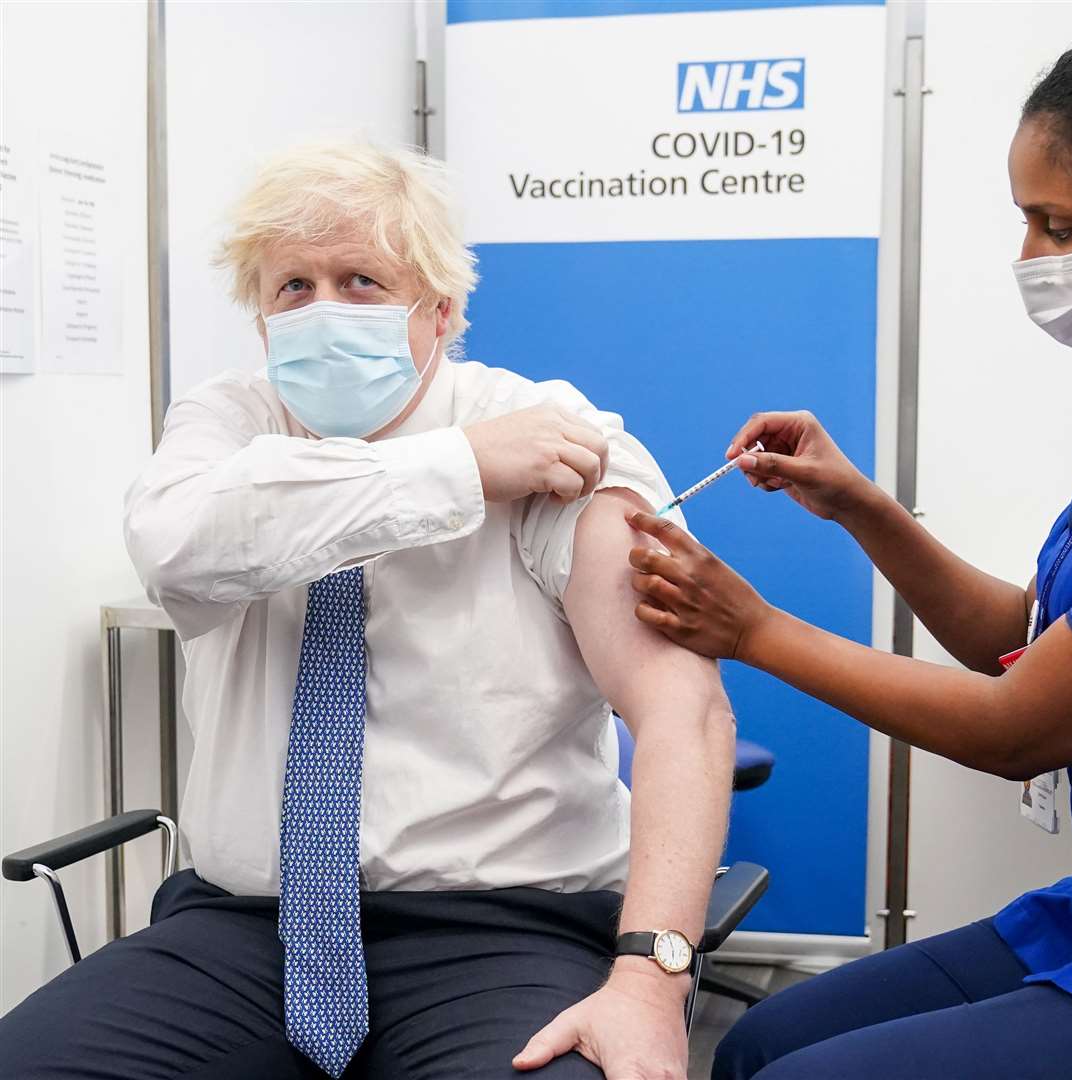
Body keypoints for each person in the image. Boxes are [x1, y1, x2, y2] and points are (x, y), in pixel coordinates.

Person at [624, 9, 1072, 1080]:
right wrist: (860, 507)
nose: (1027, 258)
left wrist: (747, 627)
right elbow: (1022, 638)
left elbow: (1021, 725)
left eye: (1056, 226)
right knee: (757, 1043)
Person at [0, 142, 736, 1080]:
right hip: (244, 933)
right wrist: (460, 469)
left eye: (361, 280)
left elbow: (684, 712)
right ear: (261, 320)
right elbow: (177, 547)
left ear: (441, 309)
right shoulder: (232, 423)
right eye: (293, 288)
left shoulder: (556, 434)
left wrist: (650, 982)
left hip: (501, 928)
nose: (324, 312)